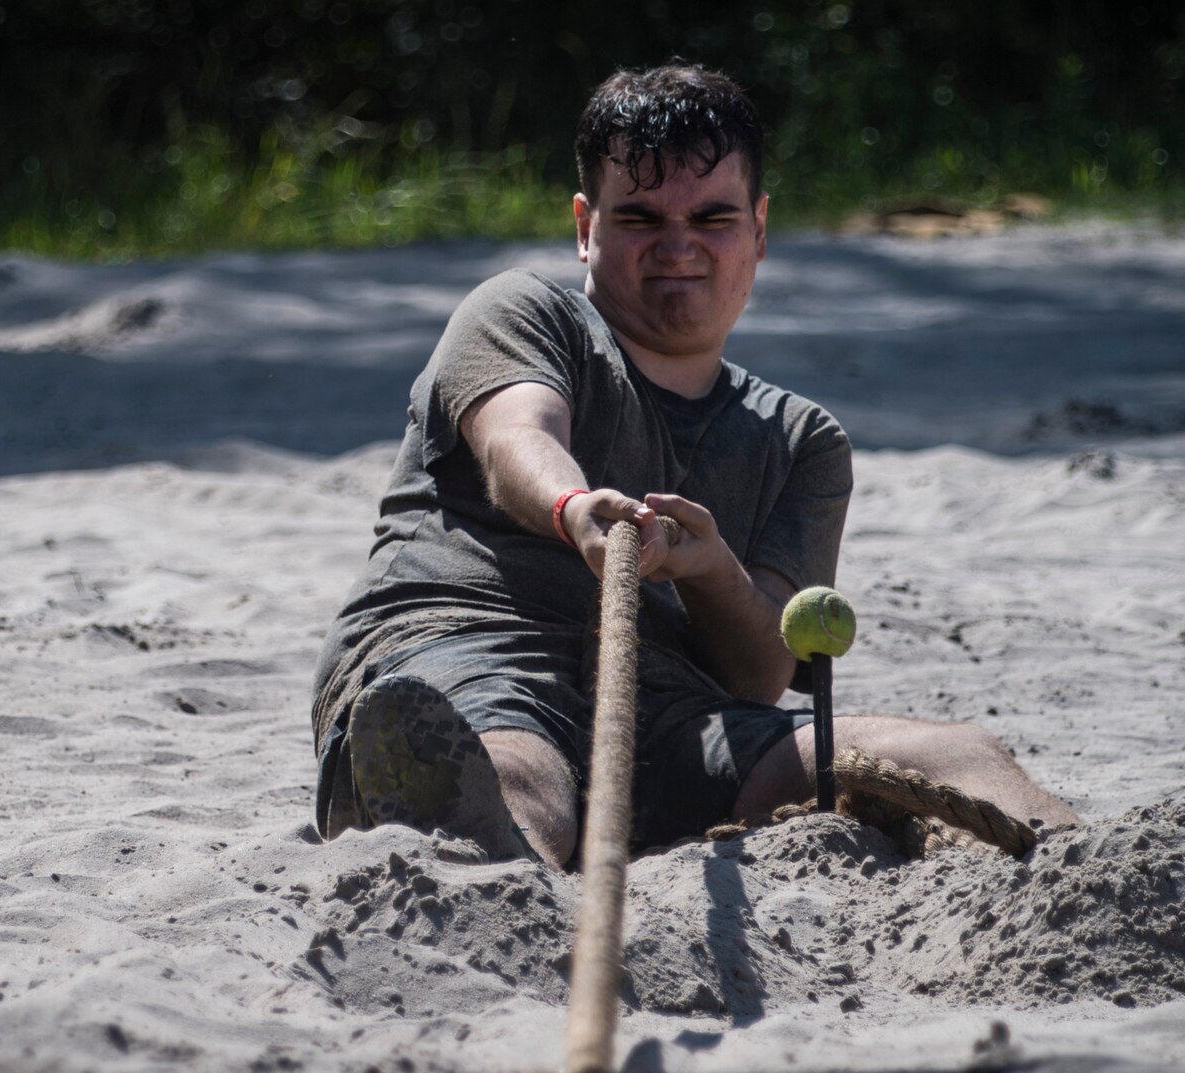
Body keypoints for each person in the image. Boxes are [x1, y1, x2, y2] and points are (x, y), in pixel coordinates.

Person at [311, 63, 1075, 866]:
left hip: (677, 713)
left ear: (759, 227)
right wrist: (577, 509)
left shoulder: (804, 442)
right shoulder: (520, 312)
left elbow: (758, 674)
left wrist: (711, 571)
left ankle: (1082, 864)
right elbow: (516, 439)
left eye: (712, 217)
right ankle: (464, 837)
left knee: (953, 754)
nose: (679, 248)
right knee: (519, 772)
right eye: (640, 218)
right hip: (468, 645)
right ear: (585, 225)